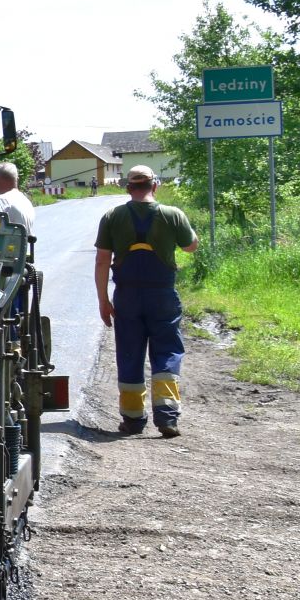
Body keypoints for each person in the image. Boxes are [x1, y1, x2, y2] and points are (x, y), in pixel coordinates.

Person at [93, 165, 198, 437]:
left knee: (129, 353)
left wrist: (103, 300)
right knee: (166, 352)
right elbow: (191, 246)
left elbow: (102, 260)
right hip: (162, 294)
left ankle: (132, 419)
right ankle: (166, 417)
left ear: (128, 188)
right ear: (155, 185)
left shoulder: (112, 216)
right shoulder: (173, 214)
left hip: (127, 296)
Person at [0, 160, 35, 232]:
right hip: (23, 243)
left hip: (8, 243)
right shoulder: (26, 202)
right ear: (17, 179)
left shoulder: (1, 201)